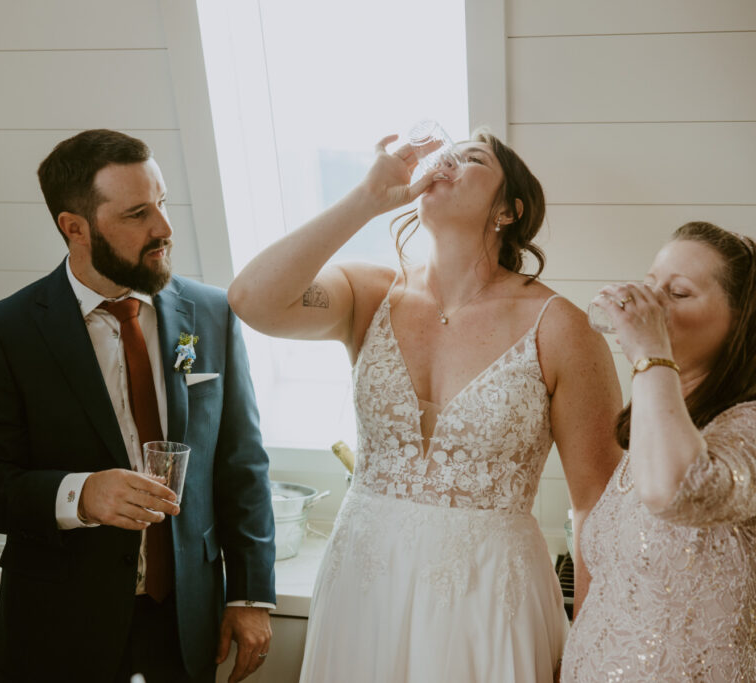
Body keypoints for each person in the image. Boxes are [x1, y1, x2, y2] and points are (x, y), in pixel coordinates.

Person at [228, 131, 623, 682]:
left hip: (490, 600)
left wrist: (591, 644)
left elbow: (599, 509)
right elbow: (252, 299)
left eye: (473, 158)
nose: (447, 163)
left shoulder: (561, 328)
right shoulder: (368, 295)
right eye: (446, 154)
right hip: (364, 590)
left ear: (510, 210)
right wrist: (364, 200)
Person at [0, 129, 277, 683]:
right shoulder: (4, 331)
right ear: (74, 228)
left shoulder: (214, 313)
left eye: (164, 203)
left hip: (184, 627)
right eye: (137, 214)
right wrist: (80, 494)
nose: (165, 229)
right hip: (57, 635)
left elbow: (241, 464)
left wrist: (249, 595)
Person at [561, 222, 756, 681]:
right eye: (650, 287)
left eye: (679, 293)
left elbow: (676, 490)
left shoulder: (747, 424)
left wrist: (650, 349)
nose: (647, 305)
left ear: (741, 320)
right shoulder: (658, 421)